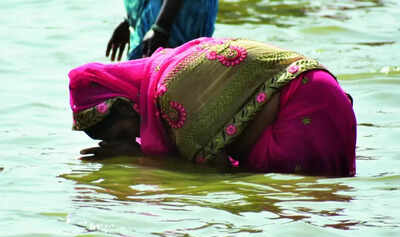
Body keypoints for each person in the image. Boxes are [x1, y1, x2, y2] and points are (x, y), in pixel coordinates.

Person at [69, 37, 357, 177]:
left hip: (307, 109)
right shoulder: (166, 65)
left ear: (125, 106)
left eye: (120, 133)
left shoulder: (170, 95)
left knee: (254, 196)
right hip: (325, 99)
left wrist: (139, 161)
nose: (129, 139)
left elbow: (213, 171)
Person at [106, 0, 218, 61]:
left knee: (171, 80)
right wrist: (129, 21)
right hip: (157, 20)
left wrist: (161, 28)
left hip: (173, 22)